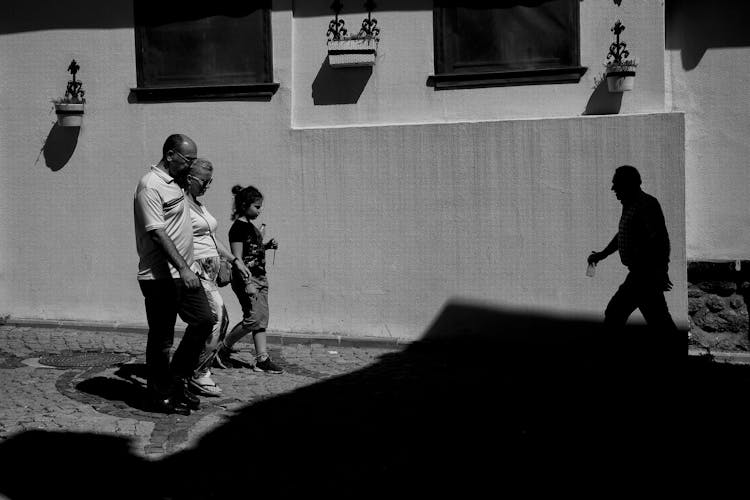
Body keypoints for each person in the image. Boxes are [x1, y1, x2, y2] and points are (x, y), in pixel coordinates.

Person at [133, 134, 215, 415]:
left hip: (185, 273)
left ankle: (176, 379)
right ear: (170, 155)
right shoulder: (150, 185)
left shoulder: (177, 183)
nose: (191, 166)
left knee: (205, 320)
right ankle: (158, 395)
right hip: (159, 277)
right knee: (162, 339)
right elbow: (156, 233)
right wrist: (181, 266)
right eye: (187, 160)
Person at [182, 159, 250, 396]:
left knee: (214, 321)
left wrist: (233, 260)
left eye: (210, 181)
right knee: (219, 319)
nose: (207, 185)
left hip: (210, 273)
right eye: (203, 180)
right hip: (197, 272)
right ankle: (198, 372)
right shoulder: (180, 204)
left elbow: (211, 238)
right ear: (189, 178)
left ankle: (193, 369)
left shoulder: (198, 205)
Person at [587, 165, 678, 335]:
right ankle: (672, 355)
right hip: (639, 274)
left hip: (645, 275)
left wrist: (660, 271)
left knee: (617, 313)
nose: (613, 189)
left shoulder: (647, 205)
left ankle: (608, 354)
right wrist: (602, 254)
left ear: (628, 185)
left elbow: (660, 240)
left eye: (617, 184)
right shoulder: (630, 205)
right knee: (657, 320)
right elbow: (623, 234)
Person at [215, 184, 282, 373]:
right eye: (257, 207)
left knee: (262, 319)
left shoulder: (251, 228)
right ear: (244, 205)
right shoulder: (237, 229)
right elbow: (238, 260)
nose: (260, 210)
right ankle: (222, 349)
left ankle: (262, 359)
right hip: (248, 279)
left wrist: (267, 245)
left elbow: (252, 251)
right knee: (252, 319)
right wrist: (247, 283)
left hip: (261, 277)